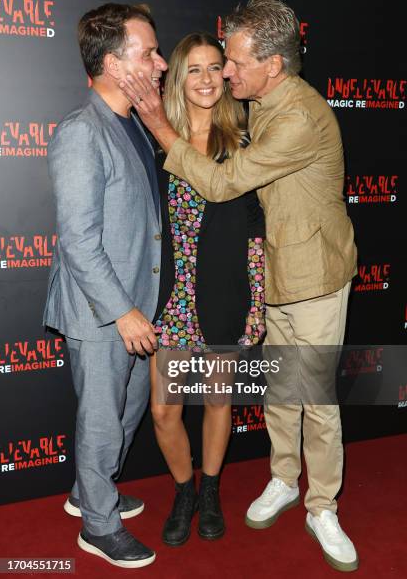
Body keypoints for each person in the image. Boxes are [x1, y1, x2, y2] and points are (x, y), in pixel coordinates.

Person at [120, 0, 359, 573]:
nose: (224, 73)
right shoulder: (257, 109)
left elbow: (226, 187)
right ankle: (281, 479)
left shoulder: (289, 119)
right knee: (276, 394)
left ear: (272, 66)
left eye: (231, 62)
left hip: (311, 278)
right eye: (204, 65)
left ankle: (322, 506)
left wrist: (159, 126)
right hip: (263, 278)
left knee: (317, 400)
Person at [43, 2, 167, 569]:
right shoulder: (81, 131)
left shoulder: (135, 122)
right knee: (100, 418)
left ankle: (88, 491)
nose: (161, 63)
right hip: (102, 311)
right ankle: (97, 524)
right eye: (149, 53)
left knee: (127, 409)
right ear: (115, 64)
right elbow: (79, 240)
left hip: (137, 306)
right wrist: (121, 311)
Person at [150, 32, 265, 546]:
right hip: (170, 296)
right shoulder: (156, 141)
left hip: (224, 290)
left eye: (214, 67)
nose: (204, 79)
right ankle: (184, 490)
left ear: (226, 74)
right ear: (178, 77)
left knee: (219, 401)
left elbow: (256, 234)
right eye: (192, 69)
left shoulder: (243, 144)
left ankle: (212, 489)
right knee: (164, 410)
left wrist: (256, 302)